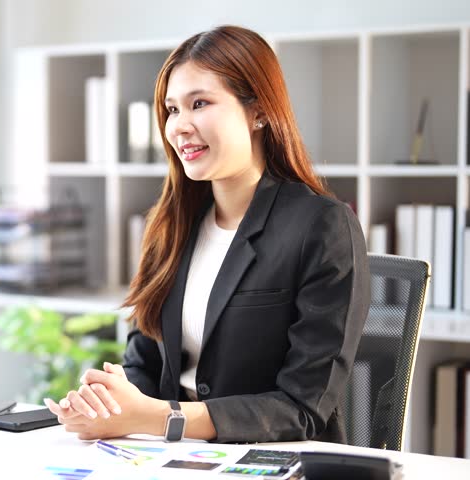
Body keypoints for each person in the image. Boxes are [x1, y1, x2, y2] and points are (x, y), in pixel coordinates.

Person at [45, 25, 370, 445]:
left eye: (199, 103)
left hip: (274, 457)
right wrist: (108, 406)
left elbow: (303, 407)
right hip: (173, 457)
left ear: (259, 112)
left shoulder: (322, 226)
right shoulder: (172, 223)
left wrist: (163, 418)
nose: (179, 126)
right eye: (172, 109)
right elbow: (143, 361)